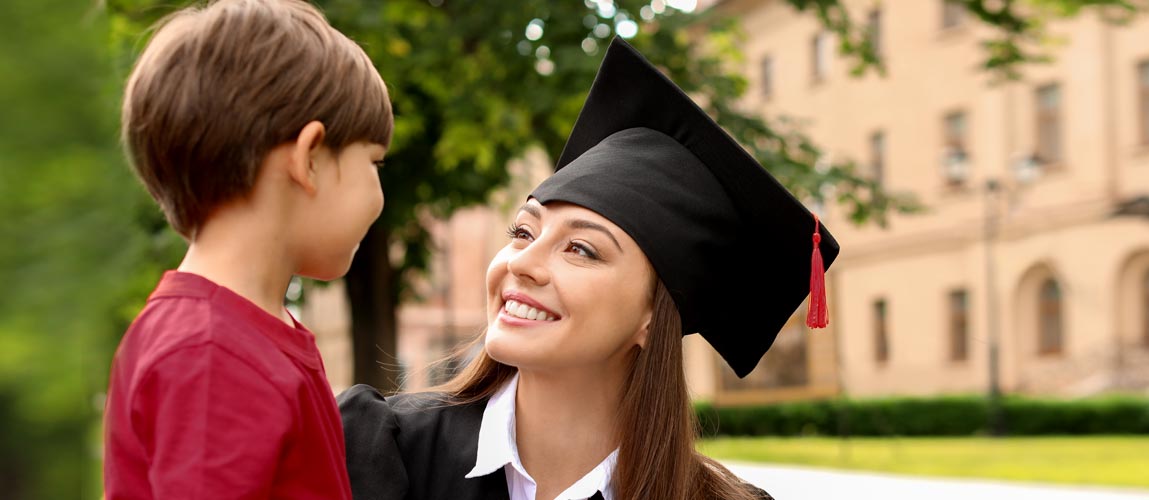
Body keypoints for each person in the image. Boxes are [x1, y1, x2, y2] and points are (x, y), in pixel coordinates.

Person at [338, 38, 838, 500]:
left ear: (652, 316)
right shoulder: (381, 451)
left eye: (580, 249)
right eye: (522, 232)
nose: (524, 263)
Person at [104, 0, 392, 498]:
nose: (379, 197)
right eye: (375, 163)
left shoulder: (234, 335)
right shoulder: (214, 356)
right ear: (310, 159)